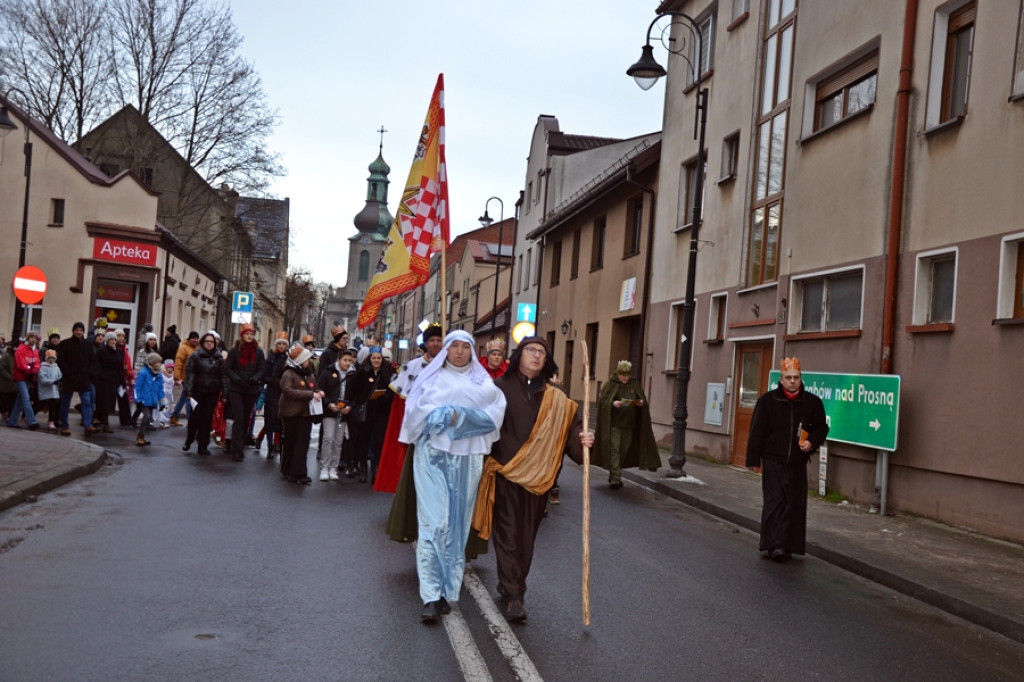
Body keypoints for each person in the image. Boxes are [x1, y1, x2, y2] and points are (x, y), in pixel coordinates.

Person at [471, 337, 593, 623]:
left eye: (542, 352)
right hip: (504, 473)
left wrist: (582, 440)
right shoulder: (497, 389)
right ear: (519, 355)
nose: (537, 356)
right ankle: (515, 595)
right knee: (507, 535)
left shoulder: (557, 397)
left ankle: (511, 584)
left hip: (539, 479)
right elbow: (479, 425)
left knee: (525, 539)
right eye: (531, 350)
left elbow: (571, 430)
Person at [398, 330, 506, 624]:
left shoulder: (485, 384)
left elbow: (493, 418)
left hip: (469, 458)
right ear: (445, 350)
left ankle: (447, 590)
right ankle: (430, 595)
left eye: (465, 347)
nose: (459, 352)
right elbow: (415, 413)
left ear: (472, 350)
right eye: (454, 346)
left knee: (457, 525)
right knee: (435, 522)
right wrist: (444, 415)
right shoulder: (429, 379)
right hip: (433, 456)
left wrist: (460, 417)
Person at [746, 357, 829, 562]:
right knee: (776, 501)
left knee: (794, 503)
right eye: (788, 377)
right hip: (773, 459)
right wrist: (753, 459)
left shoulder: (812, 402)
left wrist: (811, 443)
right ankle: (774, 545)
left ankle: (788, 545)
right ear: (781, 380)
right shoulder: (767, 401)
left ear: (801, 379)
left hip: (798, 461)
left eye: (796, 377)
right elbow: (756, 431)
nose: (792, 381)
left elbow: (821, 428)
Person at [375, 322, 444, 493]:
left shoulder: (450, 366)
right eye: (432, 340)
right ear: (426, 344)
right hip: (417, 424)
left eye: (439, 340)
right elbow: (401, 402)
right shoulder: (412, 366)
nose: (436, 343)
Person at [592, 360, 661, 489]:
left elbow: (643, 401)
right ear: (618, 374)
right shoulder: (610, 384)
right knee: (615, 450)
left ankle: (614, 472)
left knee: (623, 451)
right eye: (623, 375)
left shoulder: (634, 385)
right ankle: (615, 479)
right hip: (614, 426)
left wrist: (641, 403)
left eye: (627, 375)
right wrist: (613, 404)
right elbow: (603, 402)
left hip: (629, 426)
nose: (625, 378)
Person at [278, 344, 324, 484]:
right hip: (290, 412)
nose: (309, 362)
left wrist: (319, 392)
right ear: (299, 361)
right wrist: (310, 394)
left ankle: (299, 472)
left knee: (303, 443)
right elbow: (288, 391)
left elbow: (315, 387)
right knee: (291, 442)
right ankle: (288, 470)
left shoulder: (309, 374)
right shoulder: (288, 373)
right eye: (306, 360)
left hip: (305, 413)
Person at [348, 346, 395, 483]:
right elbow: (355, 390)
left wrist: (385, 396)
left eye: (378, 358)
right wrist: (363, 375)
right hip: (366, 411)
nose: (376, 360)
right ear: (369, 359)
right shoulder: (362, 372)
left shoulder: (387, 373)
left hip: (381, 411)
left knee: (379, 441)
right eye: (373, 358)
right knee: (363, 440)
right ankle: (363, 469)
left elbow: (392, 390)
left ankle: (376, 468)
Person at [224, 324, 265, 462]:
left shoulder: (258, 352)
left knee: (246, 418)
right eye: (247, 334)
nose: (249, 336)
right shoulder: (235, 351)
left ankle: (240, 446)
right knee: (239, 418)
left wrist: (255, 379)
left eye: (252, 334)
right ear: (242, 335)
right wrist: (237, 379)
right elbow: (228, 368)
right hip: (237, 388)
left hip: (251, 389)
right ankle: (235, 448)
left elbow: (261, 368)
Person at [181, 333, 228, 456]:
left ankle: (203, 446)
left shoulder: (219, 358)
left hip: (212, 392)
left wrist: (224, 393)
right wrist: (189, 391)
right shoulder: (195, 356)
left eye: (211, 342)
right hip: (197, 391)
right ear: (202, 342)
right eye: (207, 341)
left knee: (207, 420)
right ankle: (189, 440)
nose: (209, 343)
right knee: (195, 418)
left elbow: (223, 376)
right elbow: (190, 374)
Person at [316, 347, 357, 481]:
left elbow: (356, 395)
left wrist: (349, 406)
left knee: (339, 441)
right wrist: (328, 404)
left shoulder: (353, 375)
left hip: (343, 413)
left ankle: (334, 467)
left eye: (350, 361)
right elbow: (321, 389)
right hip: (330, 411)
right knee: (328, 438)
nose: (347, 363)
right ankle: (325, 466)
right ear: (338, 360)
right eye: (345, 360)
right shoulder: (328, 372)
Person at [56, 322, 97, 436]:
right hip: (69, 377)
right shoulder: (65, 344)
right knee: (65, 402)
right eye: (77, 330)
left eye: (81, 330)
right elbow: (61, 361)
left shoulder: (88, 345)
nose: (79, 332)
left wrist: (89, 373)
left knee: (87, 402)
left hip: (84, 377)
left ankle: (88, 425)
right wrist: (67, 373)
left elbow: (93, 361)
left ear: (83, 332)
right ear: (73, 331)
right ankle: (64, 426)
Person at [6, 331, 42, 429]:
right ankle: (32, 421)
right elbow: (21, 364)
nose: (33, 340)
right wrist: (30, 370)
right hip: (20, 377)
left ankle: (12, 421)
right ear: (27, 338)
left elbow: (37, 363)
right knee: (26, 399)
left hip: (28, 377)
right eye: (31, 338)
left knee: (20, 400)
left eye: (35, 338)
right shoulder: (21, 349)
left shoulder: (35, 350)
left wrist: (33, 371)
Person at [93, 331, 124, 434]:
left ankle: (98, 419)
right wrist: (97, 376)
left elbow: (120, 367)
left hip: (114, 379)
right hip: (103, 379)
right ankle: (105, 424)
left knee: (110, 401)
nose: (113, 341)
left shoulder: (119, 352)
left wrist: (122, 381)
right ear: (107, 341)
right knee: (103, 401)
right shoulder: (101, 352)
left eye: (115, 339)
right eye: (111, 339)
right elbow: (96, 364)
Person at [133, 353, 164, 446]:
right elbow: (137, 387)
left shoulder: (158, 374)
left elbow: (161, 390)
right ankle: (140, 435)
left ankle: (142, 436)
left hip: (152, 401)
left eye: (160, 362)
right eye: (157, 362)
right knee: (146, 416)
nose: (159, 364)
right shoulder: (143, 373)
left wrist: (163, 403)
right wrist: (137, 399)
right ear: (152, 363)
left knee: (149, 418)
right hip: (144, 400)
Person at [169, 331, 200, 426]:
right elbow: (178, 362)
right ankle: (190, 420)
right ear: (189, 339)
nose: (195, 340)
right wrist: (177, 377)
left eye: (196, 338)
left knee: (183, 397)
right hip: (185, 377)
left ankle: (174, 416)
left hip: (194, 377)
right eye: (193, 338)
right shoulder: (183, 348)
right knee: (188, 398)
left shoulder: (198, 348)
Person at [38, 349, 62, 431]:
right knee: (41, 404)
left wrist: (59, 381)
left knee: (53, 406)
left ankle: (51, 421)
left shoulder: (56, 367)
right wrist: (51, 382)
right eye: (49, 358)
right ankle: (29, 415)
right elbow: (42, 378)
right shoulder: (43, 367)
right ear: (46, 358)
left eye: (53, 358)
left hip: (54, 391)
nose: (51, 359)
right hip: (45, 390)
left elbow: (59, 375)